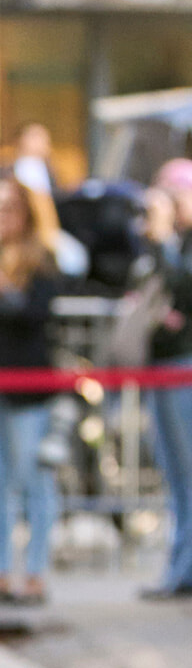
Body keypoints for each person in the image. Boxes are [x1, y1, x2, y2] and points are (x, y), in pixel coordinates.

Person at [0, 178, 62, 606]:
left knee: (32, 475)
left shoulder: (42, 258)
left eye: (9, 208)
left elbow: (33, 314)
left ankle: (35, 572)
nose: (1, 216)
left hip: (27, 381)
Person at [138, 159, 192, 598]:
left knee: (187, 474)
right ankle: (179, 567)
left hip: (183, 367)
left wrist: (162, 242)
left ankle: (183, 571)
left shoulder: (177, 246)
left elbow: (183, 290)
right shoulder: (174, 244)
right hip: (162, 363)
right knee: (174, 476)